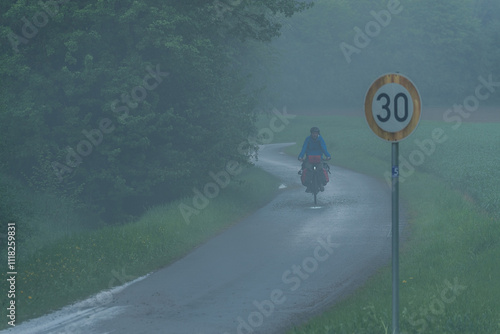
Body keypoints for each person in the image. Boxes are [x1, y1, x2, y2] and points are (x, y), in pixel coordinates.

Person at [298, 127, 331, 192]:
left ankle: (321, 183)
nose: (314, 135)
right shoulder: (308, 139)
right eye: (313, 133)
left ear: (318, 133)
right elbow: (304, 148)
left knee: (320, 169)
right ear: (311, 133)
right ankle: (308, 185)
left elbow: (324, 148)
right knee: (308, 169)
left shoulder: (320, 139)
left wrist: (328, 156)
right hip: (309, 159)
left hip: (319, 159)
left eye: (316, 133)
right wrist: (300, 156)